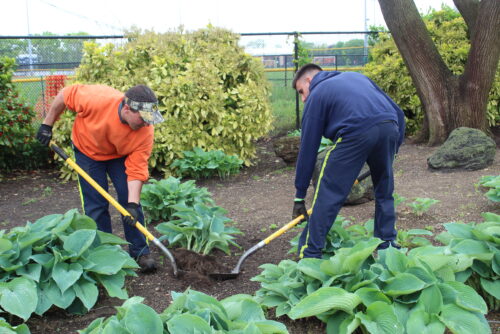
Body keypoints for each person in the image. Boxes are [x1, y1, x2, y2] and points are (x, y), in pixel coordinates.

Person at [36, 84, 164, 273]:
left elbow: (137, 169)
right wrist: (47, 124)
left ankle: (139, 252)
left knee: (129, 202)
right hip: (88, 151)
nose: (147, 123)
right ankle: (105, 254)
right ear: (127, 109)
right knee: (95, 204)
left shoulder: (145, 130)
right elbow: (64, 95)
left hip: (120, 154)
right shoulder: (97, 98)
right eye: (143, 118)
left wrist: (133, 204)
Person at [291, 64, 405, 259]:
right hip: (389, 127)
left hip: (355, 132)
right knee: (384, 191)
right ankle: (388, 247)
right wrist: (392, 152)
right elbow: (399, 114)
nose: (303, 98)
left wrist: (299, 196)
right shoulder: (357, 77)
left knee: (328, 193)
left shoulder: (317, 94)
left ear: (309, 80)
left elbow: (308, 149)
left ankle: (309, 255)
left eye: (301, 91)